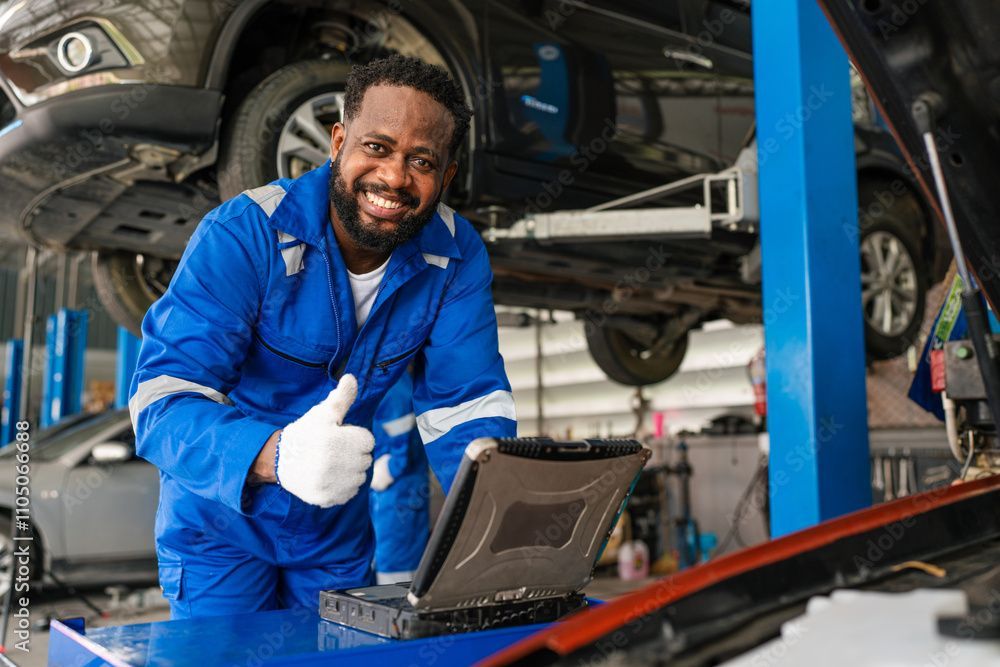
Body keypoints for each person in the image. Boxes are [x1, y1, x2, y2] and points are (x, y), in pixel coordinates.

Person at [128, 54, 517, 618]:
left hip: (333, 535)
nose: (393, 177)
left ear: (446, 177)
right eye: (377, 147)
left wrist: (501, 528)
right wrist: (276, 455)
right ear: (338, 142)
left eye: (422, 160)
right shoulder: (244, 234)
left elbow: (468, 407)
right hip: (220, 529)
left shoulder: (455, 257)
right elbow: (160, 404)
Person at [369, 371, 429, 584]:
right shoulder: (380, 381)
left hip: (399, 495)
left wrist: (388, 469)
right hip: (383, 494)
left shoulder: (393, 386)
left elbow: (402, 452)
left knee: (396, 568)